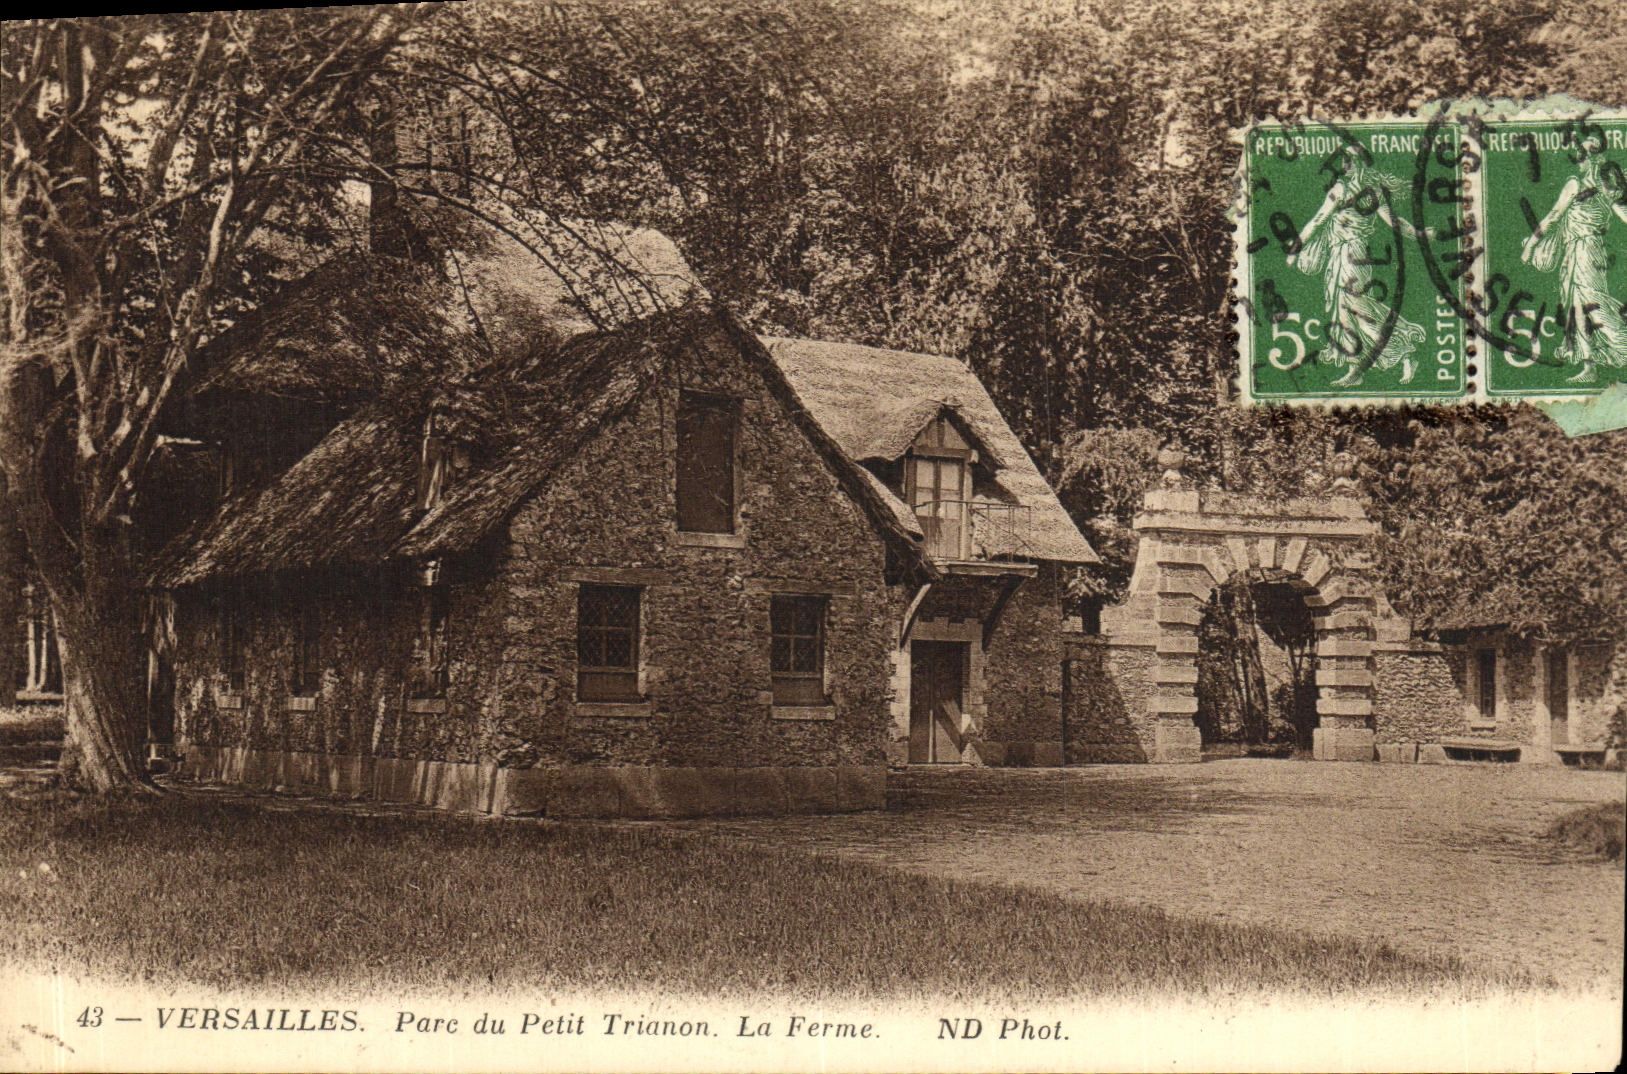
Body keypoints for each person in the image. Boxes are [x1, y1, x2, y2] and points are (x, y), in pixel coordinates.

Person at [1287, 144, 1431, 388]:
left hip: (1354, 255)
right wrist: (1296, 246)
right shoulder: (1344, 188)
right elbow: (1318, 220)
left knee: (1356, 309)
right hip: (1337, 254)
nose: (1344, 166)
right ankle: (1356, 368)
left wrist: (1420, 233)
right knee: (1341, 311)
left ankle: (1404, 352)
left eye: (1348, 161)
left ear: (1360, 162)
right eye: (1344, 161)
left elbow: (1396, 224)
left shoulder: (1366, 191)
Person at [1521, 129, 1627, 383]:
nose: (1590, 156)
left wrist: (1529, 248)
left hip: (1586, 251)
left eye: (1594, 150)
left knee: (1594, 304)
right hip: (1577, 252)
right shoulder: (1598, 184)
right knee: (1576, 308)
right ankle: (1589, 366)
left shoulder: (1591, 183)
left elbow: (1554, 216)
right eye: (1587, 151)